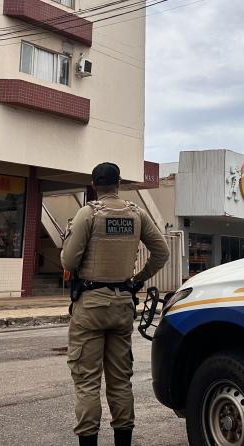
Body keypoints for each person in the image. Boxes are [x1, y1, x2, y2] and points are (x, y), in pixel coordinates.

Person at [61, 162, 171, 446]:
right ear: (118, 183)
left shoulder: (88, 214)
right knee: (121, 380)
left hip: (90, 305)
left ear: (94, 185)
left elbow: (69, 261)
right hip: (123, 303)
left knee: (87, 382)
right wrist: (137, 279)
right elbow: (161, 252)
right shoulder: (137, 214)